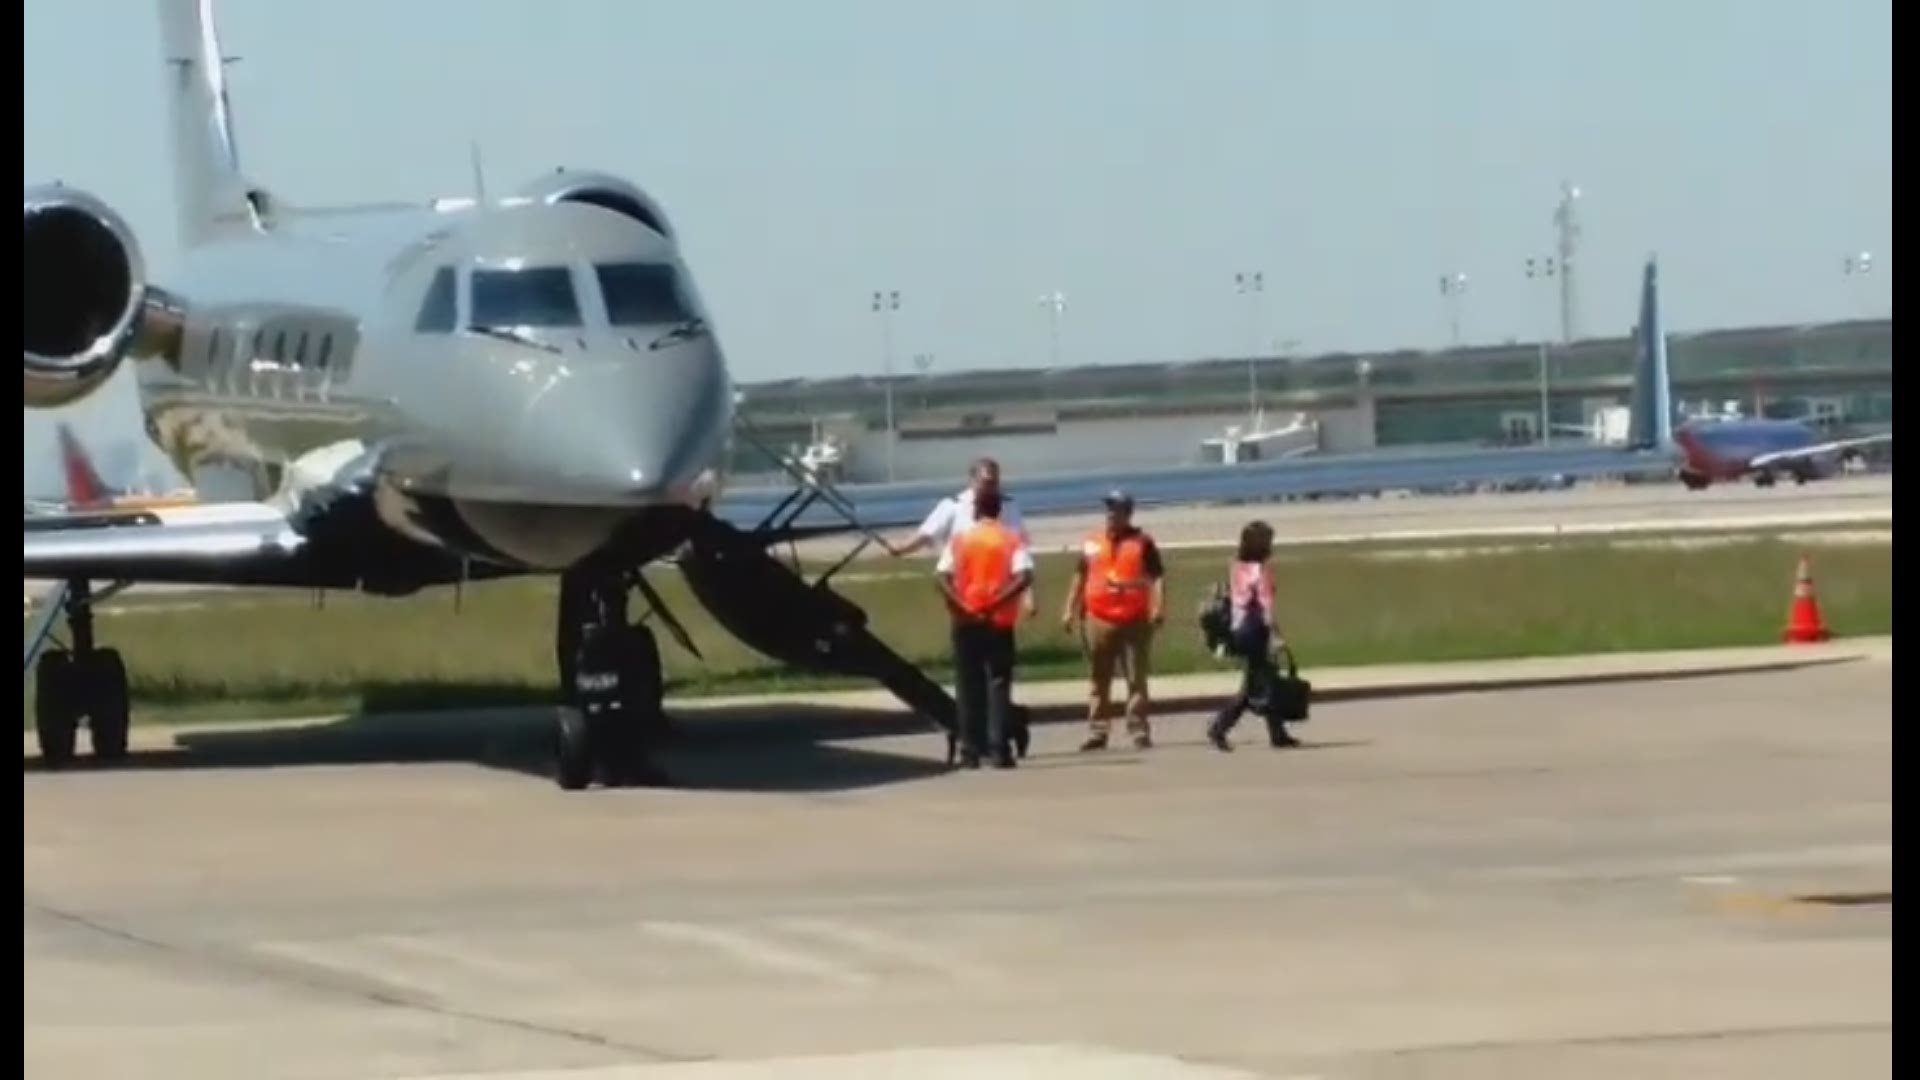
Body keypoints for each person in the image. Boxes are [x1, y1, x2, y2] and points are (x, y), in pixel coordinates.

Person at [935, 490, 1033, 769]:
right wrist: (996, 603)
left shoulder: (961, 540)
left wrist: (963, 604)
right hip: (998, 620)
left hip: (966, 620)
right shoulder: (1010, 539)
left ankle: (970, 750)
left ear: (976, 511)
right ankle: (999, 749)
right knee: (998, 683)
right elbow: (1024, 576)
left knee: (968, 685)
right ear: (1000, 511)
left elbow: (942, 577)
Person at [1061, 490, 1165, 751]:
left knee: (1136, 678)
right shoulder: (1092, 541)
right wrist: (1069, 609)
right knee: (1099, 677)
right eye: (1108, 509)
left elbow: (1156, 577)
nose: (1110, 514)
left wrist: (1158, 606)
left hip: (1134, 620)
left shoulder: (1143, 542)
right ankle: (1098, 731)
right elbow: (1079, 575)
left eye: (1115, 509)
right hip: (1099, 618)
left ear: (1127, 513)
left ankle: (1138, 729)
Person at [889, 458, 1037, 618]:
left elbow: (1020, 552)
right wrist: (903, 549)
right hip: (963, 594)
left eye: (995, 482)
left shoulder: (1008, 505)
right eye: (986, 482)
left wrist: (1028, 596)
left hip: (999, 595)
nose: (991, 487)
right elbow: (926, 533)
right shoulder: (953, 505)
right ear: (973, 480)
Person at [1205, 520, 1301, 751]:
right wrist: (1276, 637)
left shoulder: (1236, 566)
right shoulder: (1261, 571)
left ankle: (1277, 732)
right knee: (1256, 686)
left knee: (1267, 679)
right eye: (1269, 541)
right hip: (1255, 630)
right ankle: (1219, 726)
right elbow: (1266, 608)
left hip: (1239, 630)